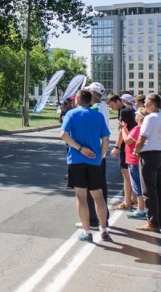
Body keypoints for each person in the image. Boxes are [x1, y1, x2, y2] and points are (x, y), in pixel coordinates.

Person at [60, 89, 111, 242]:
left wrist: (80, 148)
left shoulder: (71, 114)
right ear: (90, 100)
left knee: (81, 196)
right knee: (98, 196)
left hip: (76, 160)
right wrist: (100, 156)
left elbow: (63, 135)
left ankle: (87, 231)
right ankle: (104, 229)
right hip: (94, 161)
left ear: (77, 99)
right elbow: (106, 140)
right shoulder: (98, 115)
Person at [133, 93, 161, 232]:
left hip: (149, 154)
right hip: (159, 153)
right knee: (159, 188)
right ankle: (160, 219)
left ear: (152, 104)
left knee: (149, 190)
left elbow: (142, 138)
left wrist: (136, 150)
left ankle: (153, 221)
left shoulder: (150, 118)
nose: (144, 104)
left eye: (146, 102)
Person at [85, 82, 110, 228]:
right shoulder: (102, 107)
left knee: (92, 187)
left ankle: (92, 218)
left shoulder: (96, 108)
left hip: (94, 152)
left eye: (88, 90)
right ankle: (103, 218)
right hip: (100, 151)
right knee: (100, 186)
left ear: (94, 93)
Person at [109, 93, 137, 210]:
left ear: (118, 101)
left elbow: (122, 130)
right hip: (133, 143)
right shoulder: (129, 109)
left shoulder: (124, 111)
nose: (112, 108)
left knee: (126, 174)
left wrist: (116, 147)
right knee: (132, 174)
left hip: (127, 145)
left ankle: (127, 202)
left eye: (112, 105)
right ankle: (133, 198)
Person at [121, 109, 147, 219]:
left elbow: (127, 140)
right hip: (138, 159)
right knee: (140, 184)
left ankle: (141, 209)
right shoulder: (144, 128)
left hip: (134, 160)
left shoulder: (138, 128)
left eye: (137, 115)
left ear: (140, 117)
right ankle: (143, 208)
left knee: (137, 185)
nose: (135, 117)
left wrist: (123, 129)